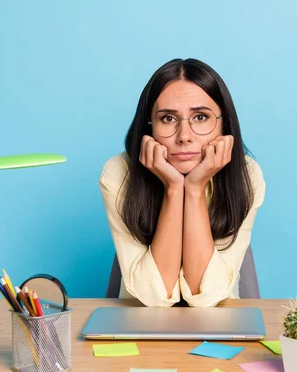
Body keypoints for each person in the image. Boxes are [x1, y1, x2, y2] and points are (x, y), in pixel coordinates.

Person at [99, 58, 265, 307]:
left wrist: (195, 189)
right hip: (139, 325)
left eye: (200, 117)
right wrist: (174, 188)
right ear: (149, 126)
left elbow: (206, 297)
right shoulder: (119, 173)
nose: (184, 136)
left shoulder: (246, 175)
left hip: (219, 323)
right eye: (168, 119)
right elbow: (155, 297)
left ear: (224, 125)